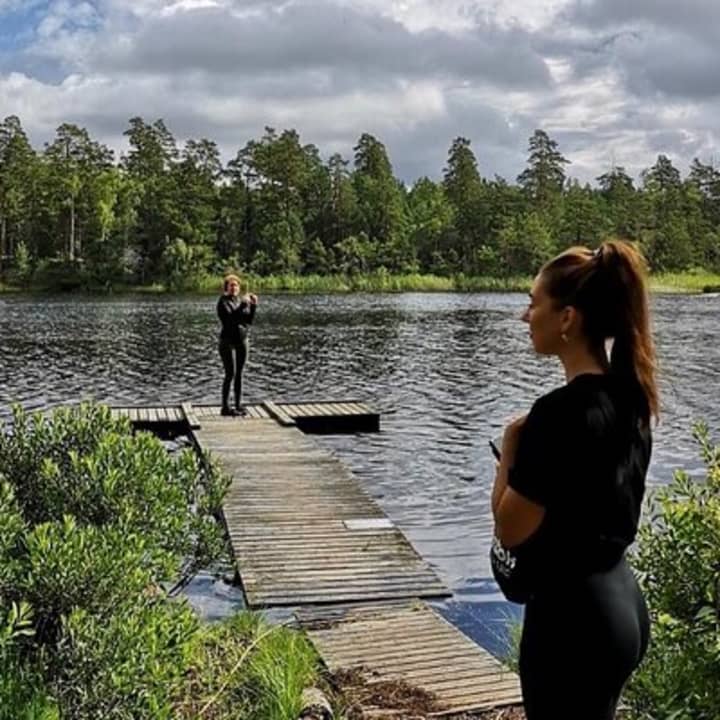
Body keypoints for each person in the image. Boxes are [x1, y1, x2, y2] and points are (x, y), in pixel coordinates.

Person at [491, 240, 657, 720]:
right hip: (621, 603)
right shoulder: (631, 399)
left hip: (572, 620)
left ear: (567, 318)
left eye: (533, 303)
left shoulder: (556, 415)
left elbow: (510, 528)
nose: (525, 316)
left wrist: (510, 448)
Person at [217, 274, 257, 416]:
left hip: (242, 339)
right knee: (230, 374)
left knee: (239, 374)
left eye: (236, 285)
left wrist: (253, 306)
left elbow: (248, 320)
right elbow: (231, 320)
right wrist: (243, 305)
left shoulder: (240, 301)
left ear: (239, 288)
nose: (234, 288)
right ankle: (225, 407)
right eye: (231, 285)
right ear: (226, 288)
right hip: (226, 341)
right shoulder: (223, 302)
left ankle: (238, 405)